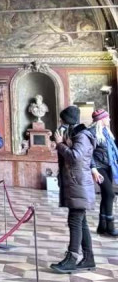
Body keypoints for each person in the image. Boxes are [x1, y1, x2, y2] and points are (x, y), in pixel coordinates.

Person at [50, 105, 97, 273]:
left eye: (62, 120)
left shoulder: (82, 136)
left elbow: (75, 157)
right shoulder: (76, 135)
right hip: (76, 183)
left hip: (79, 184)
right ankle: (88, 258)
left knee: (75, 221)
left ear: (68, 121)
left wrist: (60, 144)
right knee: (81, 222)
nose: (60, 123)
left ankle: (71, 259)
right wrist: (63, 143)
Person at [91, 108, 118, 237]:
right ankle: (110, 226)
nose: (109, 119)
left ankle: (102, 227)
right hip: (99, 167)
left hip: (109, 167)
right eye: (107, 117)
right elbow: (88, 153)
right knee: (110, 194)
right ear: (101, 119)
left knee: (106, 195)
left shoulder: (106, 131)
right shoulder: (92, 132)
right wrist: (94, 169)